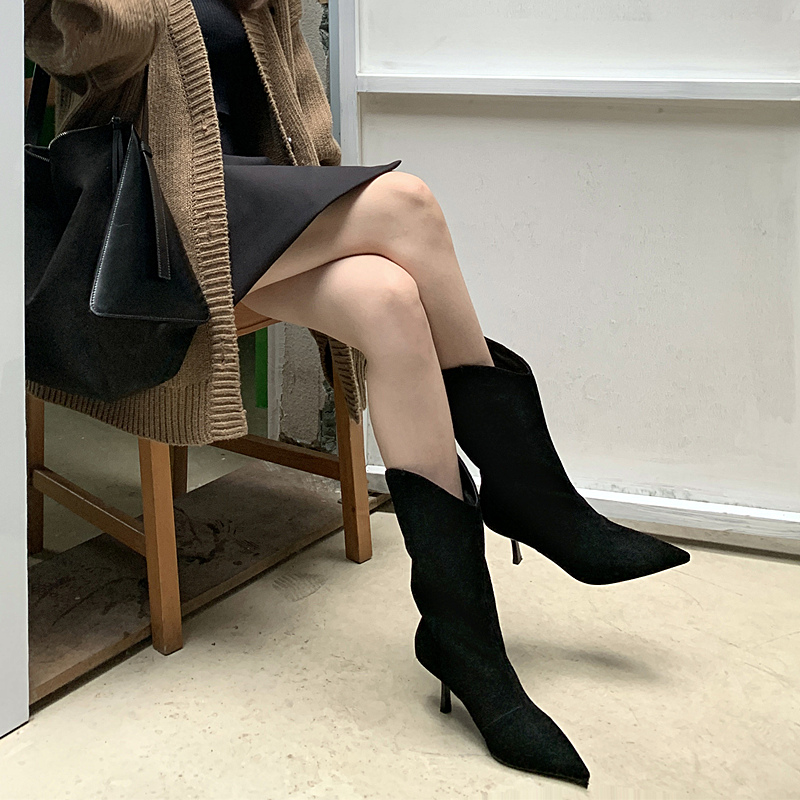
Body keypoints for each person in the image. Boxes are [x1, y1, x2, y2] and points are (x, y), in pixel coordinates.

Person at [25, 0, 690, 787]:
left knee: (388, 299)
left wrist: (330, 206)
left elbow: (303, 113)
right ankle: (529, 494)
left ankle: (462, 640)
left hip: (249, 209)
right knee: (410, 204)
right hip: (148, 217)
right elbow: (102, 40)